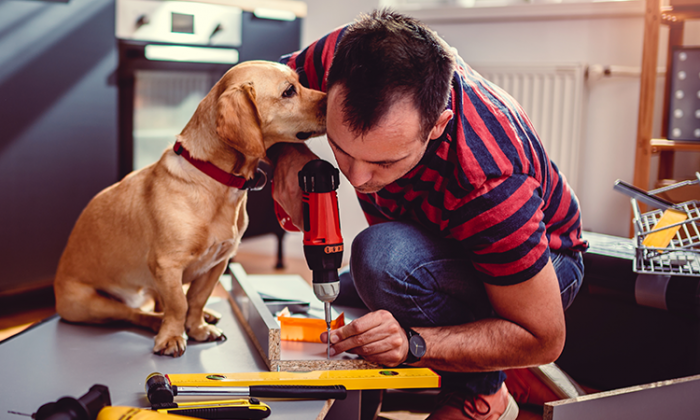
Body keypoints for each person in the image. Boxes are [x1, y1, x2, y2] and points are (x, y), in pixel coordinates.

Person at [268, 9, 587, 420]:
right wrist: (287, 153)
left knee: (381, 262)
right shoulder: (351, 53)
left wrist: (414, 342)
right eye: (342, 149)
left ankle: (486, 394)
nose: (357, 178)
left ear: (438, 126)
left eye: (384, 162)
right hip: (436, 239)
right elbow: (258, 84)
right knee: (350, 298)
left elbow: (543, 338)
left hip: (546, 268)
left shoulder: (489, 180)